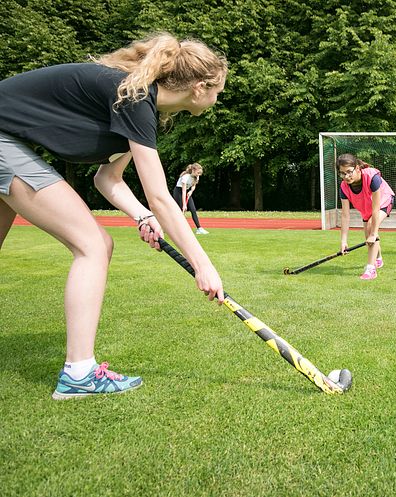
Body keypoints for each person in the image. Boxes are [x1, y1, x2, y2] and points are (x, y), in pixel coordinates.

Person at [0, 32, 228, 399]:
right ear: (200, 87)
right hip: (2, 141)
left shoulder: (137, 102)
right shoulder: (136, 96)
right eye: (219, 90)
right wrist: (202, 265)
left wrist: (141, 217)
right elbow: (160, 197)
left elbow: (108, 179)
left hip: (7, 140)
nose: (219, 98)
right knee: (94, 245)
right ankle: (79, 374)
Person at [337, 154, 395, 280]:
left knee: (371, 228)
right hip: (366, 207)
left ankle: (371, 269)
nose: (346, 177)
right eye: (342, 173)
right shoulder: (344, 187)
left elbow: (376, 208)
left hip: (384, 201)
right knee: (368, 235)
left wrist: (374, 233)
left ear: (357, 168)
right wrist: (343, 241)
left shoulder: (372, 177)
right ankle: (378, 258)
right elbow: (345, 215)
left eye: (349, 172)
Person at [173, 162, 208, 234]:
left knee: (193, 209)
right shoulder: (185, 177)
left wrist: (191, 191)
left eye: (200, 173)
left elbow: (193, 186)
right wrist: (184, 205)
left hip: (187, 192)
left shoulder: (196, 177)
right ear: (193, 170)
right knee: (180, 210)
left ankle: (199, 228)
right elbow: (183, 191)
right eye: (198, 173)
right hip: (178, 192)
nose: (199, 175)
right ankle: (173, 228)